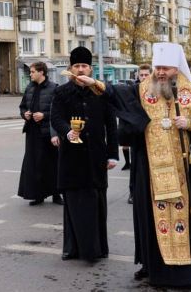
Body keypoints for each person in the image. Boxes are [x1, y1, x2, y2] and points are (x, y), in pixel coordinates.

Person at [76, 43, 191, 287]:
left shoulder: (189, 93)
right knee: (151, 220)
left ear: (176, 68)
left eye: (165, 68)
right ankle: (154, 268)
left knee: (184, 220)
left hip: (183, 172)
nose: (160, 72)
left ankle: (187, 273)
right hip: (149, 170)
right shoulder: (143, 90)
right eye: (157, 67)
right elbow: (115, 93)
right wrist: (95, 83)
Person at [50, 46, 119, 263]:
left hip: (96, 156)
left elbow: (111, 125)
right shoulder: (61, 92)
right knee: (72, 203)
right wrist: (66, 131)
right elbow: (56, 118)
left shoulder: (100, 91)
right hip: (71, 156)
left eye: (84, 66)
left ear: (91, 69)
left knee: (96, 203)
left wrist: (113, 155)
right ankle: (71, 248)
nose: (80, 70)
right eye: (77, 66)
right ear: (71, 68)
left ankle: (97, 249)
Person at [18, 62, 63, 206]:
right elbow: (22, 106)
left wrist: (44, 115)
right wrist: (25, 114)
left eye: (32, 72)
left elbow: (59, 111)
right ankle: (38, 195)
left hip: (48, 132)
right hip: (32, 131)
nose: (30, 74)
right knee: (34, 164)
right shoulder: (30, 87)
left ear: (41, 72)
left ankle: (57, 195)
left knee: (52, 163)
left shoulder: (54, 88)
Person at [123, 63, 153, 204]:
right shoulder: (133, 90)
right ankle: (133, 192)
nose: (144, 77)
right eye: (141, 75)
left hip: (152, 134)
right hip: (137, 134)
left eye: (146, 75)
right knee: (135, 166)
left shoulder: (155, 89)